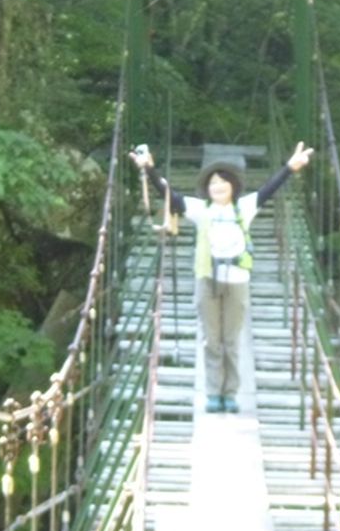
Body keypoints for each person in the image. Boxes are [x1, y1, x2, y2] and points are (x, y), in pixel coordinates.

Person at [130, 142, 314, 413]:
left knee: (232, 341)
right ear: (207, 187)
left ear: (232, 186)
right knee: (211, 340)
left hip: (237, 281)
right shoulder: (200, 209)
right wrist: (149, 170)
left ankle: (231, 393)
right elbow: (169, 195)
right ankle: (214, 393)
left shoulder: (244, 207)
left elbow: (268, 190)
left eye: (223, 182)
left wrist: (290, 168)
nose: (218, 186)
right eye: (214, 182)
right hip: (207, 279)